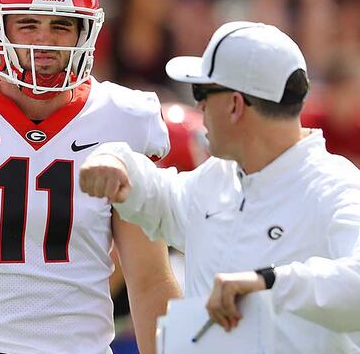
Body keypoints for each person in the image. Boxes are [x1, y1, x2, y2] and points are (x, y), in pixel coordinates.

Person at [0, 0, 180, 354]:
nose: (46, 42)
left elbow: (149, 279)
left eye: (61, 25)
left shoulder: (123, 118)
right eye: (29, 24)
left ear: (85, 31)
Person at [79, 21, 360, 352]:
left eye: (202, 93)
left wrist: (269, 281)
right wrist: (117, 159)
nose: (198, 107)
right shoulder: (217, 179)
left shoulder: (336, 185)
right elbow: (159, 193)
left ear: (235, 105)